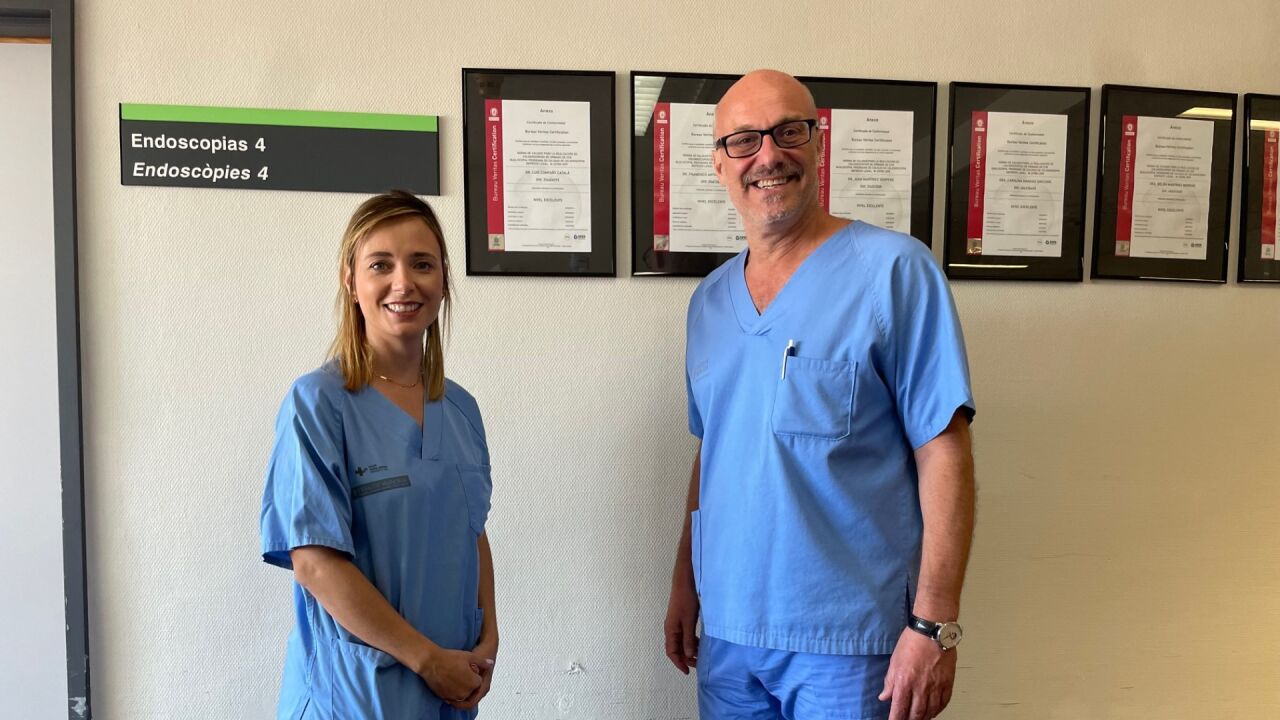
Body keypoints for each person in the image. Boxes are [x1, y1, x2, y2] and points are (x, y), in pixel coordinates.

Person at [663, 69, 976, 720]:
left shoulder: (894, 271)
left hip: (851, 645)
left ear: (818, 142)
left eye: (788, 132)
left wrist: (935, 625)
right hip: (729, 635)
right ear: (719, 164)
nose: (768, 156)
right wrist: (685, 584)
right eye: (744, 140)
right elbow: (713, 450)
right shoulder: (709, 302)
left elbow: (943, 451)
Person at [260, 191, 498, 719]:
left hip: (449, 689)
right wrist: (428, 660)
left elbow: (472, 532)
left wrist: (489, 639)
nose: (403, 282)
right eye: (381, 265)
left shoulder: (460, 409)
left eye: (422, 264)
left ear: (443, 281)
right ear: (350, 280)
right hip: (354, 696)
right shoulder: (318, 403)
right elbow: (315, 564)